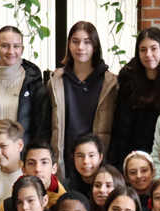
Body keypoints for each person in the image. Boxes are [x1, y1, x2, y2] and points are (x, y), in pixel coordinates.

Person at [0, 25, 51, 174]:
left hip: (25, 165)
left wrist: (32, 158)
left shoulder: (35, 88)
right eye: (5, 46)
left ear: (22, 49)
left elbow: (42, 131)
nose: (11, 51)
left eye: (16, 46)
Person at [49, 21, 119, 177]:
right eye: (75, 41)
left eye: (87, 42)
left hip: (97, 162)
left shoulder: (111, 83)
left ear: (95, 47)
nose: (81, 47)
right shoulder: (56, 81)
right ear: (69, 45)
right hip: (65, 161)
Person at [109, 27, 160, 164]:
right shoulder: (128, 80)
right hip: (132, 155)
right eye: (143, 50)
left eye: (154, 49)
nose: (148, 54)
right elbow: (118, 126)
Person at [23, 140, 67, 207]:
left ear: (54, 169)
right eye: (31, 163)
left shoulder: (63, 201)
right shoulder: (17, 190)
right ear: (24, 170)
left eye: (44, 163)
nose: (37, 169)